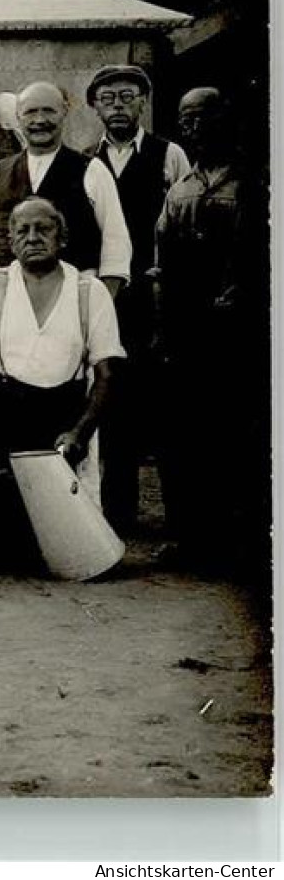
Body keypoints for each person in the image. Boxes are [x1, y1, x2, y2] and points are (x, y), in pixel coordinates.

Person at [0, 198, 125, 565]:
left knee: (52, 548)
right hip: (0, 403)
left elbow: (107, 375)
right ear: (11, 240)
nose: (33, 238)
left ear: (61, 237)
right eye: (22, 231)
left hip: (60, 413)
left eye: (43, 229)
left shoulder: (88, 291)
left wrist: (79, 432)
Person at [154, 88, 267, 569]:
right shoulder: (179, 188)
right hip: (187, 334)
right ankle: (191, 538)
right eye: (185, 119)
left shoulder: (256, 182)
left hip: (239, 336)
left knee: (236, 437)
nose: (193, 127)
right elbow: (162, 261)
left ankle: (243, 541)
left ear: (225, 119)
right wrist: (164, 323)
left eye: (203, 117)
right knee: (182, 436)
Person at [85, 65, 191, 532]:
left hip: (155, 294)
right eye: (107, 99)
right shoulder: (86, 160)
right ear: (95, 107)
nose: (118, 106)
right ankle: (119, 516)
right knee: (114, 402)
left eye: (127, 96)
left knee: (164, 405)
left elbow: (185, 219)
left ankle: (180, 520)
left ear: (143, 102)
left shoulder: (170, 155)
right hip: (108, 296)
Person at [0, 81, 131, 293]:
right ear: (18, 118)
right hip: (8, 298)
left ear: (64, 113)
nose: (40, 120)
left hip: (72, 296)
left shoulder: (92, 169)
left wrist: (103, 298)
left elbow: (116, 243)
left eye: (49, 111)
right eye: (30, 112)